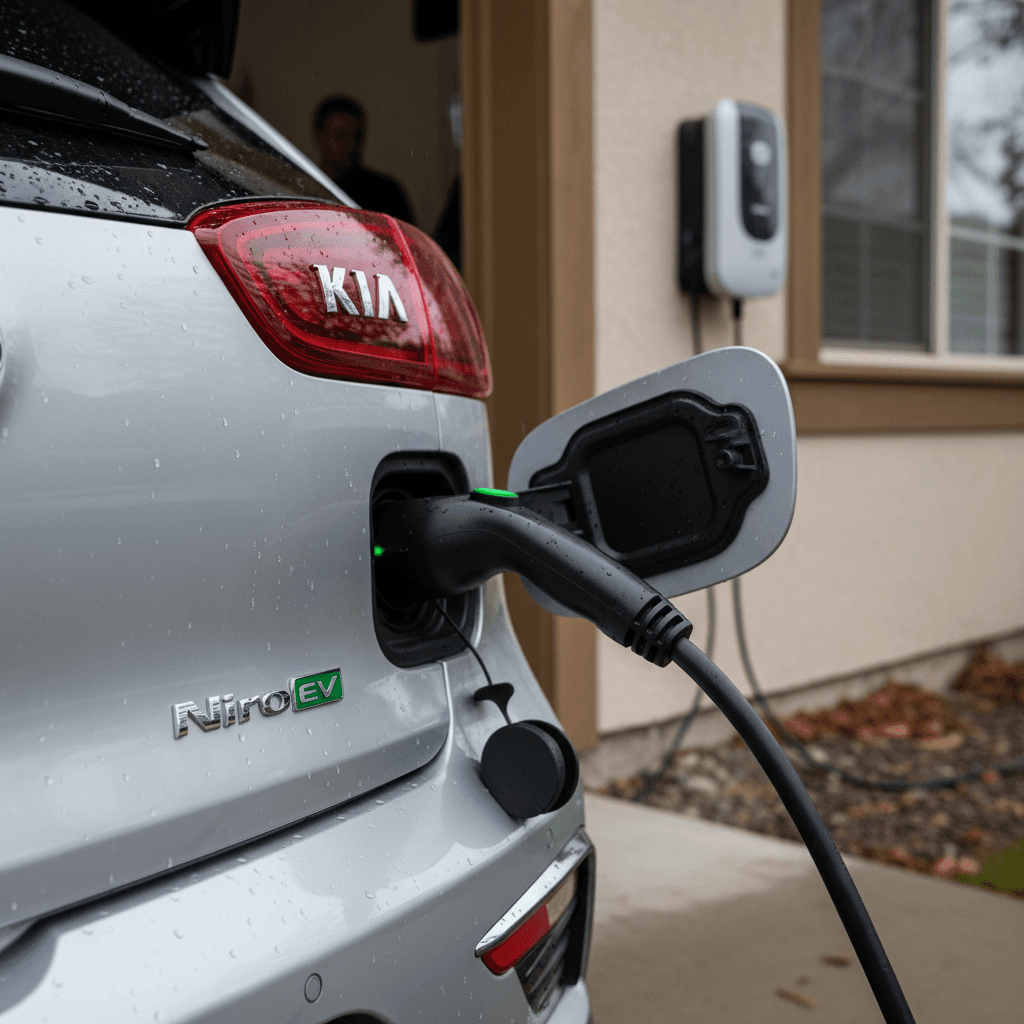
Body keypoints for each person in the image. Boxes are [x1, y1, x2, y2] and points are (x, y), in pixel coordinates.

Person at [313, 95, 416, 225]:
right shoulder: (303, 192)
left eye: (356, 136)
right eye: (341, 136)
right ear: (319, 135)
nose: (350, 145)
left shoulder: (386, 193)